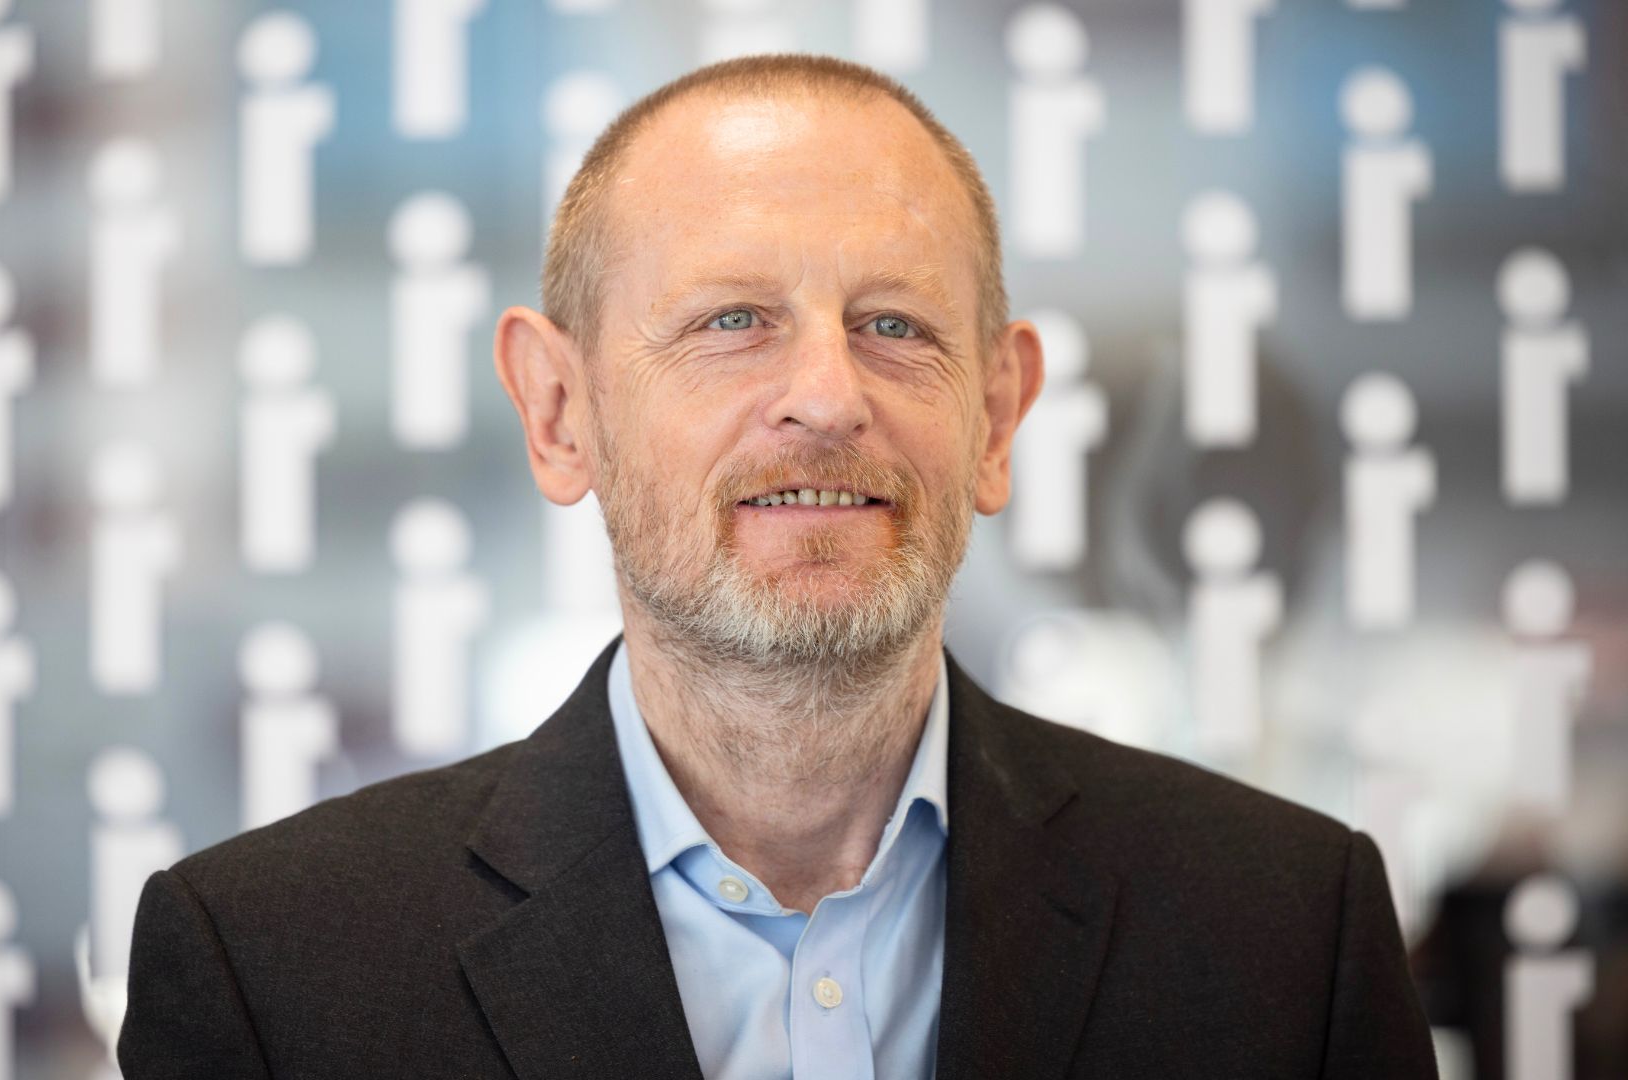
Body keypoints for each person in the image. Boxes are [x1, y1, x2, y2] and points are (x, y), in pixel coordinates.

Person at [118, 54, 1439, 1078]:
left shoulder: (1282, 936)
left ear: (998, 416)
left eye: (894, 325)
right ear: (558, 411)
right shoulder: (273, 971)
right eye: (733, 321)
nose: (827, 397)